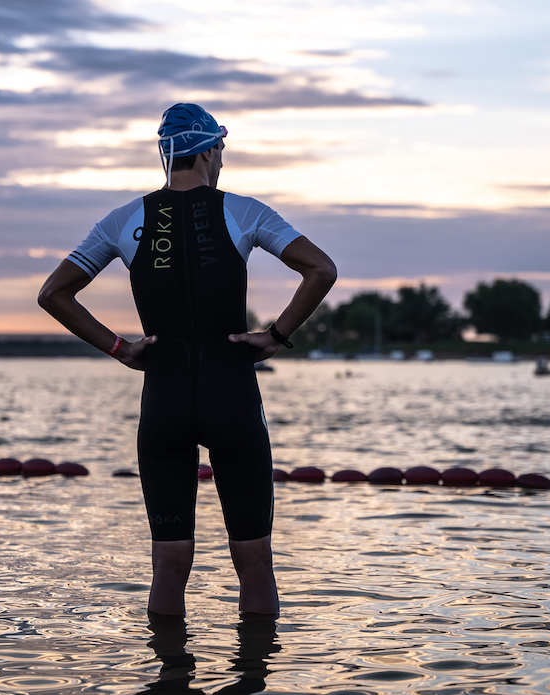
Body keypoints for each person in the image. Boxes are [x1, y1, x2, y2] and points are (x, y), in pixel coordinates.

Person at [38, 103, 336, 617]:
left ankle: (168, 686)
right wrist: (274, 337)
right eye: (221, 149)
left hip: (164, 401)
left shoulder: (123, 220)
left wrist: (121, 348)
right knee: (254, 562)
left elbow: (54, 294)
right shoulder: (244, 211)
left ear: (166, 154)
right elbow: (321, 270)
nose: (222, 159)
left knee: (169, 565)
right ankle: (254, 688)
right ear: (209, 150)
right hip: (232, 396)